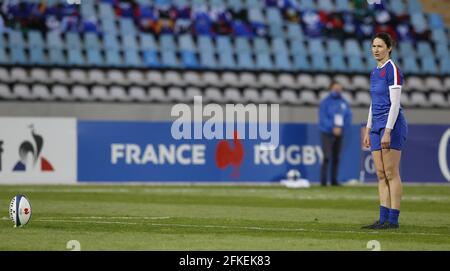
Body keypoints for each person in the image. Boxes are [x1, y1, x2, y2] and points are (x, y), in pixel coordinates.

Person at [361, 32, 408, 230]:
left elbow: (395, 105)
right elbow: (374, 103)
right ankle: (382, 218)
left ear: (389, 48)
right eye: (373, 46)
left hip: (392, 125)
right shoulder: (374, 72)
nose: (376, 50)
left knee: (391, 172)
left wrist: (387, 131)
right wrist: (368, 128)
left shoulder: (393, 70)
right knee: (380, 173)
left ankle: (393, 220)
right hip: (376, 126)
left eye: (380, 46)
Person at [318, 81, 352, 186]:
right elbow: (323, 117)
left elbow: (348, 117)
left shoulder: (344, 102)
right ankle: (323, 181)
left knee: (336, 157)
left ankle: (334, 180)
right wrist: (332, 128)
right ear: (331, 88)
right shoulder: (325, 102)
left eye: (339, 88)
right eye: (335, 88)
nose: (337, 90)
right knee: (327, 156)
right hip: (327, 132)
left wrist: (341, 128)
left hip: (339, 133)